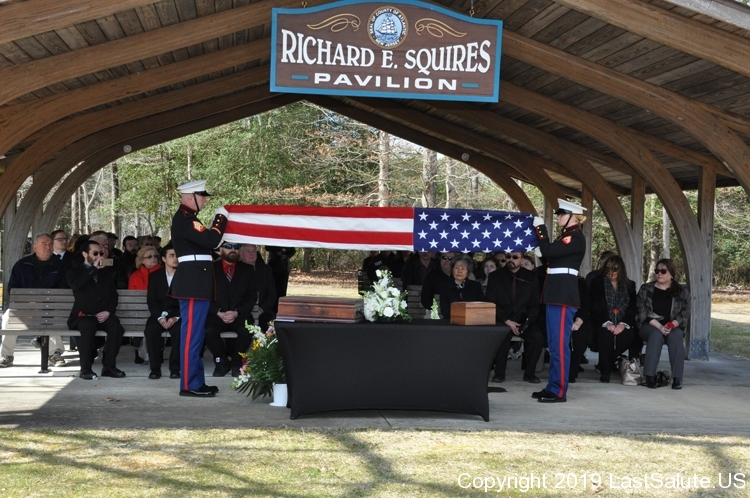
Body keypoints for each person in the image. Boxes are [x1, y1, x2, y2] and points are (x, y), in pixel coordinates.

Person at [170, 179, 228, 397]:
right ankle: (189, 385)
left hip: (196, 284)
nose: (204, 200)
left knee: (196, 336)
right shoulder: (186, 219)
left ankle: (196, 381)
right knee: (191, 337)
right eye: (202, 196)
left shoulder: (190, 219)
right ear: (189, 197)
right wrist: (221, 217)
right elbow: (212, 240)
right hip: (193, 284)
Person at [531, 199, 587, 403]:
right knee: (554, 345)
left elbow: (549, 251)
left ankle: (558, 391)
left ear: (574, 217)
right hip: (556, 295)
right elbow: (551, 257)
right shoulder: (565, 237)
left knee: (560, 346)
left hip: (562, 296)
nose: (559, 217)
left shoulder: (574, 237)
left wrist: (540, 230)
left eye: (562, 214)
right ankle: (552, 386)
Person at [0, 234, 67, 368]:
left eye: (50, 244)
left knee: (54, 316)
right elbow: (13, 289)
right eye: (44, 244)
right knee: (8, 317)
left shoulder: (61, 265)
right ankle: (6, 354)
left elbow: (64, 288)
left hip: (51, 307)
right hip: (25, 308)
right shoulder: (22, 265)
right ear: (35, 247)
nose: (48, 247)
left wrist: (46, 303)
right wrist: (28, 303)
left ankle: (55, 353)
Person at [66, 239, 126, 380]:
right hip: (83, 316)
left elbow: (114, 296)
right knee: (88, 327)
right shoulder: (74, 271)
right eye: (95, 253)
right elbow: (76, 285)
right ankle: (85, 369)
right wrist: (93, 269)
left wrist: (108, 312)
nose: (99, 256)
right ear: (85, 254)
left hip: (102, 315)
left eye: (101, 253)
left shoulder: (106, 273)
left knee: (116, 327)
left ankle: (109, 366)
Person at [485, 251, 543, 384]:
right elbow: (491, 302)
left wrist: (526, 323)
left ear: (521, 260)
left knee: (537, 337)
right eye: (508, 256)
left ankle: (530, 374)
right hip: (502, 319)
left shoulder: (531, 277)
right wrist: (507, 321)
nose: (511, 259)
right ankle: (499, 374)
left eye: (515, 257)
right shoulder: (495, 276)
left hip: (524, 320)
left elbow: (535, 304)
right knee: (501, 336)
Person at [204, 242, 258, 378]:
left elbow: (251, 297)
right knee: (208, 330)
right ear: (219, 250)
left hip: (239, 314)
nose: (233, 249)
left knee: (247, 330)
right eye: (228, 247)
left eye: (236, 247)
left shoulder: (248, 270)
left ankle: (236, 363)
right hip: (217, 314)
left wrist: (236, 312)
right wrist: (218, 312)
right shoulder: (210, 269)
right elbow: (204, 296)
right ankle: (222, 362)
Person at [636, 259, 690, 390]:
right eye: (657, 271)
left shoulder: (682, 291)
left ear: (671, 273)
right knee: (656, 335)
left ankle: (677, 377)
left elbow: (685, 313)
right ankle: (649, 376)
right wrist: (660, 326)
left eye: (663, 271)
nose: (659, 273)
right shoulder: (646, 289)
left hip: (673, 326)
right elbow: (641, 311)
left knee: (676, 336)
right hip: (650, 325)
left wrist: (671, 325)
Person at [589, 255, 637, 383]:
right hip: (603, 320)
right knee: (605, 335)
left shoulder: (630, 285)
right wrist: (607, 322)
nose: (611, 271)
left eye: (615, 269)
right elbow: (594, 306)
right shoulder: (597, 283)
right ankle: (606, 371)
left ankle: (607, 364)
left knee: (627, 336)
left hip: (623, 321)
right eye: (608, 268)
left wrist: (623, 324)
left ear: (621, 270)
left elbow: (632, 308)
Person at [144, 243, 181, 380]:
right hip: (159, 314)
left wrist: (176, 317)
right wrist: (160, 317)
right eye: (171, 255)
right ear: (164, 259)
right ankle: (155, 368)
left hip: (178, 315)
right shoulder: (155, 276)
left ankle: (175, 368)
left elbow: (187, 301)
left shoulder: (185, 276)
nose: (175, 258)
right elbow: (152, 301)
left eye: (177, 255)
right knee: (151, 329)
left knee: (180, 330)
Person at [239, 244, 276, 331]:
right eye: (248, 251)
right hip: (241, 312)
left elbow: (272, 294)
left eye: (254, 251)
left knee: (270, 327)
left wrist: (260, 310)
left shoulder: (265, 269)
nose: (251, 254)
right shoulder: (236, 269)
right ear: (240, 254)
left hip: (262, 311)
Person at [438, 255, 484, 320]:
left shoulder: (476, 286)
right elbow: (444, 310)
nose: (459, 271)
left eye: (463, 268)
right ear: (452, 270)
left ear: (468, 271)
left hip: (472, 321)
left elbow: (481, 307)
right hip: (451, 321)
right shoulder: (445, 287)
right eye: (456, 268)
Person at [568, 276, 592, 384]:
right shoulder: (554, 281)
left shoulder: (580, 283)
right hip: (559, 319)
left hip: (578, 319)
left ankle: (572, 372)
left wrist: (578, 321)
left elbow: (586, 306)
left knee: (580, 336)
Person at [266, 246, 296, 312]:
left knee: (282, 291)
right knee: (272, 290)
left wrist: (286, 255)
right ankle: (271, 309)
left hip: (283, 268)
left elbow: (293, 250)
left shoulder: (288, 241)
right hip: (273, 268)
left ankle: (280, 309)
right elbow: (267, 247)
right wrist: (278, 251)